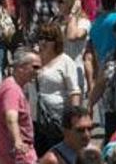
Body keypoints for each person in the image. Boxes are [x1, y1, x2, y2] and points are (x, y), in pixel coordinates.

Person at [32, 24, 82, 156]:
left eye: (47, 38)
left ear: (56, 41)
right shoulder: (34, 60)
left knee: (59, 155)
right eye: (40, 38)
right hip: (37, 119)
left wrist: (74, 119)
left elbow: (74, 91)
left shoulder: (65, 61)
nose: (43, 42)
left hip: (57, 119)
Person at [0, 48, 42, 164]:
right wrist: (17, 141)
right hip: (19, 155)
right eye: (34, 67)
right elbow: (11, 117)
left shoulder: (10, 86)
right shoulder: (12, 90)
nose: (38, 72)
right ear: (20, 67)